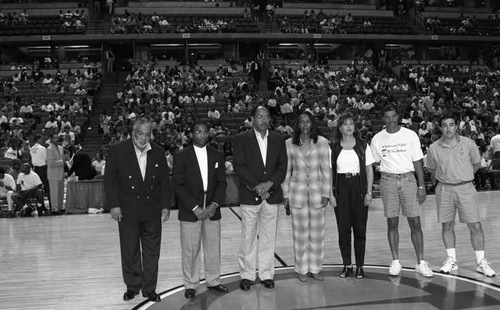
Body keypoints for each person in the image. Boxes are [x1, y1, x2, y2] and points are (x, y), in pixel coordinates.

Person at [104, 116, 171, 303]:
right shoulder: (117, 150)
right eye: (140, 133)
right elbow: (110, 180)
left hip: (152, 209)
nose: (143, 138)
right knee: (129, 249)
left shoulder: (158, 151)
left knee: (151, 252)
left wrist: (166, 205)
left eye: (147, 134)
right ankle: (132, 286)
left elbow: (165, 180)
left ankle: (149, 288)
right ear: (132, 132)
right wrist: (114, 205)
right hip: (127, 209)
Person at [426, 114, 495, 277]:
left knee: (475, 226)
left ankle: (480, 262)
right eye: (444, 125)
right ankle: (452, 260)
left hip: (465, 188)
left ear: (457, 126)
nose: (448, 128)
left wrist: (463, 176)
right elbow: (431, 169)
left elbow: (477, 163)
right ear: (440, 127)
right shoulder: (434, 148)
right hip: (444, 189)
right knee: (447, 226)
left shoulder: (468, 143)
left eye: (451, 125)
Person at [370, 104, 433, 278]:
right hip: (388, 181)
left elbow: (418, 162)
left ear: (398, 117)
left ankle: (420, 262)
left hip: (408, 181)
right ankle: (396, 261)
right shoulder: (377, 139)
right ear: (383, 118)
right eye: (387, 117)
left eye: (393, 116)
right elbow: (375, 162)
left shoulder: (410, 135)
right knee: (392, 223)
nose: (390, 120)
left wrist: (421, 186)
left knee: (415, 222)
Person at [233, 105, 287, 291]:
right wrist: (258, 187)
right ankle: (247, 274)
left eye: (266, 116)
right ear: (253, 118)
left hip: (272, 195)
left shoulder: (279, 140)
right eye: (259, 116)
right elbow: (239, 167)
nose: (263, 120)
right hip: (250, 195)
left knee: (268, 237)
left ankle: (266, 274)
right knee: (248, 237)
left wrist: (269, 185)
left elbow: (282, 167)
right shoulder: (241, 139)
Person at [173, 121, 228, 299]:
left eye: (205, 132)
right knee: (190, 248)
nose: (202, 135)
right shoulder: (181, 156)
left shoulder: (217, 155)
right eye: (198, 132)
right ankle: (190, 284)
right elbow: (178, 185)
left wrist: (215, 204)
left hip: (212, 206)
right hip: (191, 208)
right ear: (192, 134)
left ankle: (213, 281)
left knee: (213, 247)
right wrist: (195, 207)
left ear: (209, 134)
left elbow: (222, 182)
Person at [281, 111, 331, 282]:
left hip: (318, 193)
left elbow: (326, 170)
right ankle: (302, 269)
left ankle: (316, 268)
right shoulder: (289, 144)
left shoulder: (323, 143)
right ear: (297, 125)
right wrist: (285, 194)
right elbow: (287, 172)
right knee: (300, 235)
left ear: (312, 124)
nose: (304, 125)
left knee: (317, 235)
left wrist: (326, 193)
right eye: (301, 122)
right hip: (297, 193)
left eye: (307, 121)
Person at [331, 112, 375, 279]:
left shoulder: (363, 145)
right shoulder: (334, 147)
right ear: (340, 127)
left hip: (358, 188)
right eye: (345, 124)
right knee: (343, 230)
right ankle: (347, 265)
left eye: (351, 123)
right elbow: (330, 171)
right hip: (341, 189)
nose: (348, 126)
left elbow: (369, 169)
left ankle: (360, 266)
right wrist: (331, 194)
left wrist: (369, 192)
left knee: (360, 230)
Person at [47, 132, 65, 215]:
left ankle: (60, 207)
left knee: (61, 192)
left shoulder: (61, 148)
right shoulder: (49, 149)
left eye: (57, 138)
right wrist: (62, 161)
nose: (57, 139)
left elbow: (62, 160)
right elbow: (51, 163)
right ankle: (54, 209)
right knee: (54, 193)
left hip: (61, 173)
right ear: (51, 139)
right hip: (53, 174)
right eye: (55, 138)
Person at [30, 134, 50, 208]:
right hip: (43, 169)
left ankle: (41, 207)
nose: (42, 140)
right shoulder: (42, 148)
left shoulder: (31, 148)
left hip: (36, 169)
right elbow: (46, 159)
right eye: (41, 139)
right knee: (47, 188)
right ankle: (51, 206)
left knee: (39, 189)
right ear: (38, 139)